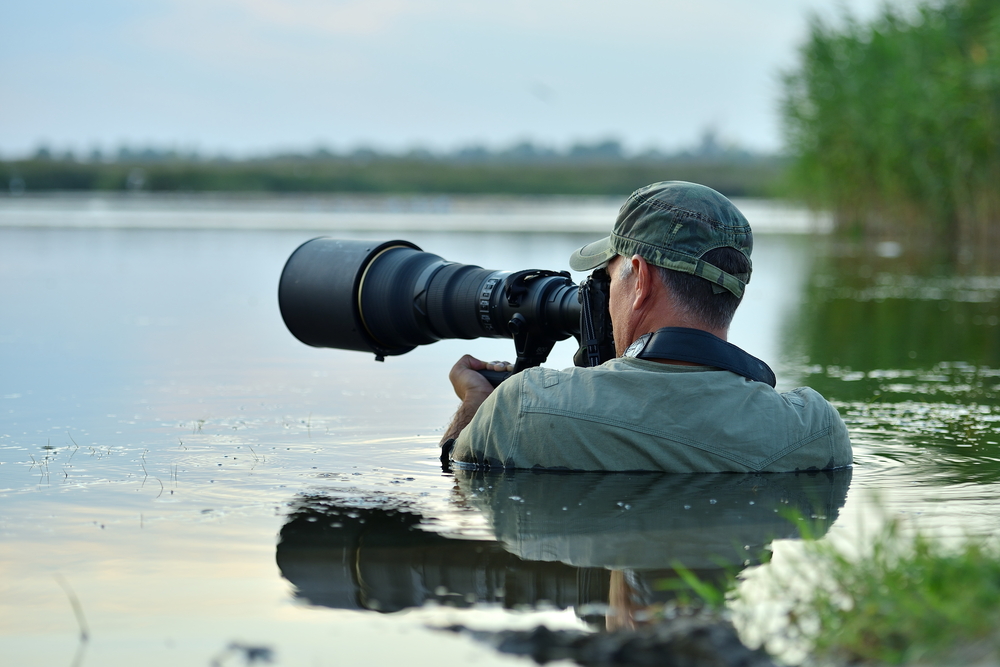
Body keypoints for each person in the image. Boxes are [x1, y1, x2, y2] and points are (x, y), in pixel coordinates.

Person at [439, 181, 852, 472]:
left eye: (607, 275)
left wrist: (476, 408)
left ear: (641, 280)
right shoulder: (814, 429)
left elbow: (459, 478)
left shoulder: (522, 408)